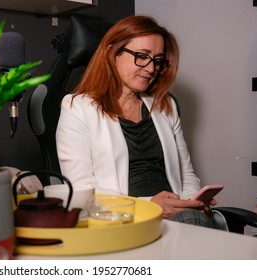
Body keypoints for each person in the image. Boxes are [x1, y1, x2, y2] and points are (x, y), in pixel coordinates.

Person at [55, 15, 216, 227]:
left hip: (178, 217)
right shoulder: (78, 108)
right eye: (142, 56)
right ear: (113, 53)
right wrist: (152, 205)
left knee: (196, 223)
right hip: (123, 220)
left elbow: (186, 174)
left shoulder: (165, 105)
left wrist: (191, 202)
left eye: (158, 61)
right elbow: (81, 190)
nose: (151, 69)